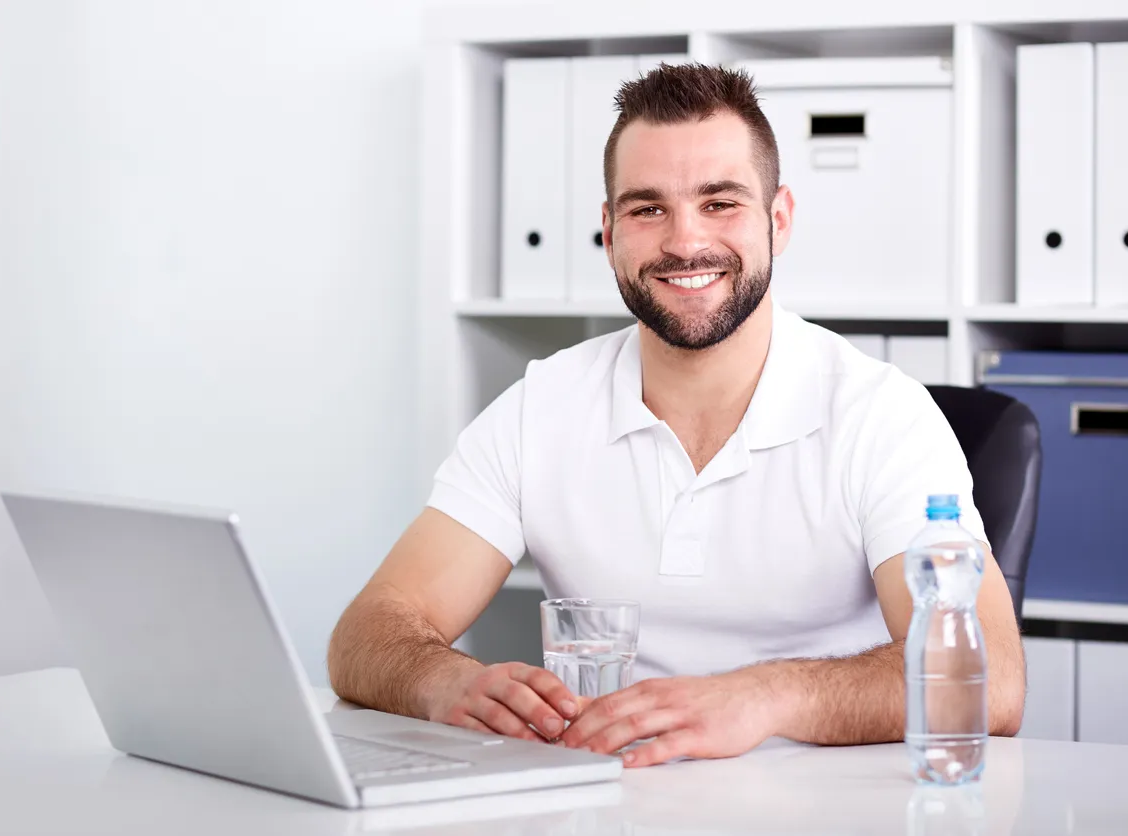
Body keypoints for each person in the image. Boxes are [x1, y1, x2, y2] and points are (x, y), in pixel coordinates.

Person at [329, 63, 1025, 769]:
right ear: (609, 231)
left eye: (719, 203)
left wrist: (766, 697)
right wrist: (443, 680)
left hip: (826, 806)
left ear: (778, 219)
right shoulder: (541, 406)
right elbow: (367, 631)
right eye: (647, 209)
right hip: (608, 800)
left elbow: (992, 679)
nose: (685, 243)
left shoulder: (881, 415)